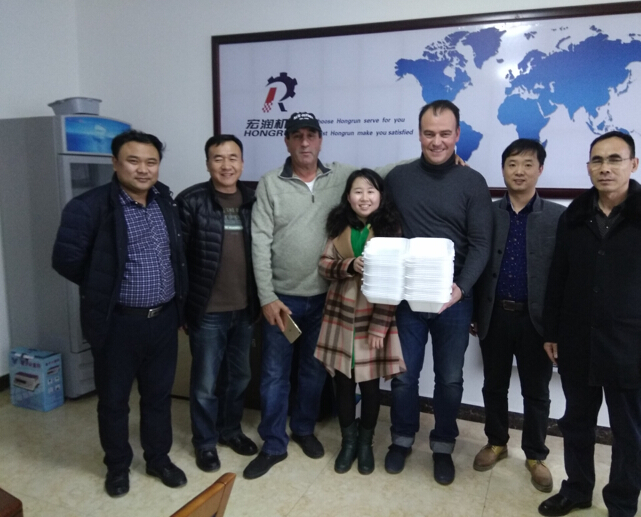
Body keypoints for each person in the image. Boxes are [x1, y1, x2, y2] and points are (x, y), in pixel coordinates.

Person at [245, 112, 407, 480]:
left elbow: (381, 173)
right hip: (283, 301)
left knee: (313, 373)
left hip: (325, 301)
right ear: (287, 141)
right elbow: (259, 241)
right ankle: (273, 443)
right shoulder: (270, 183)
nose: (304, 142)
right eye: (297, 135)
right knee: (274, 375)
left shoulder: (340, 177)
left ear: (320, 140)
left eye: (311, 135)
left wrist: (436, 156)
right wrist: (267, 296)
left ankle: (303, 429)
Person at [538, 131, 641, 517]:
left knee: (628, 433)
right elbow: (558, 278)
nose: (605, 168)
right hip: (577, 341)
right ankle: (577, 490)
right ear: (588, 167)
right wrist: (552, 332)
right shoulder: (574, 216)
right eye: (597, 160)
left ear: (633, 164)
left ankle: (621, 503)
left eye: (615, 159)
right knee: (576, 423)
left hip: (631, 348)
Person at [52, 130, 188, 497]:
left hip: (163, 319)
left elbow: (175, 256)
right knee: (114, 402)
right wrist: (106, 284)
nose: (143, 169)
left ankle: (158, 459)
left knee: (158, 397)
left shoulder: (164, 201)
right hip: (117, 324)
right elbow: (66, 260)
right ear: (115, 163)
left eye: (151, 162)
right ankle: (117, 467)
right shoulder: (89, 206)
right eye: (133, 161)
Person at [384, 99, 493, 485]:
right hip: (408, 298)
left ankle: (443, 445)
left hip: (454, 301)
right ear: (419, 134)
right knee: (404, 376)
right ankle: (401, 439)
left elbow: (481, 244)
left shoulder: (473, 182)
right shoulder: (397, 178)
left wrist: (461, 289)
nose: (437, 141)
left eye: (445, 134)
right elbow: (371, 204)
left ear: (457, 134)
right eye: (429, 134)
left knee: (449, 379)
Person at [470, 139, 565, 492]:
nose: (519, 171)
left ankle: (535, 455)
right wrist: (474, 312)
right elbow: (475, 263)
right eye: (512, 164)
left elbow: (564, 276)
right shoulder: (487, 213)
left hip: (536, 321)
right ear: (503, 169)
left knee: (536, 391)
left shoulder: (558, 216)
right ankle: (496, 442)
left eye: (527, 164)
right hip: (494, 315)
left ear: (540, 169)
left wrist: (557, 327)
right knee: (493, 384)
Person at [176, 135, 260, 473]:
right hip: (207, 311)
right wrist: (183, 308)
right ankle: (205, 442)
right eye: (218, 158)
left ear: (242, 162)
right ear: (208, 163)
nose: (226, 165)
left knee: (239, 377)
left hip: (245, 309)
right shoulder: (191, 201)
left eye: (233, 158)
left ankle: (230, 430)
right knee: (205, 383)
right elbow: (177, 260)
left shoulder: (254, 201)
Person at [314, 168, 407, 475]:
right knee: (343, 384)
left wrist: (381, 326)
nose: (364, 197)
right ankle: (348, 442)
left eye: (370, 191)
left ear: (380, 196)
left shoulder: (390, 229)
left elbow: (394, 282)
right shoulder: (338, 225)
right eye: (357, 191)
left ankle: (365, 444)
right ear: (348, 197)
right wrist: (349, 266)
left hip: (372, 318)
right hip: (340, 316)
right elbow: (324, 265)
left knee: (369, 386)